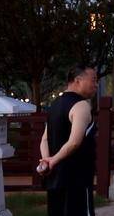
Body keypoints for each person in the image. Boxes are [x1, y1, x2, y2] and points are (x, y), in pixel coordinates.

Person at [39, 65, 98, 216]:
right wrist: (52, 161)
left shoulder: (54, 105)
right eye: (93, 80)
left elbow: (44, 140)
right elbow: (75, 142)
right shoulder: (81, 105)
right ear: (78, 80)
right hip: (77, 178)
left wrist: (47, 161)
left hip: (55, 178)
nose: (96, 85)